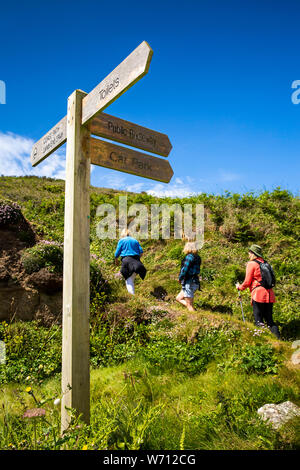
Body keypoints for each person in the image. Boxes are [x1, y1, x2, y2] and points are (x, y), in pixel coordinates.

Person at [236, 244, 280, 339]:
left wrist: (239, 287)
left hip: (258, 294)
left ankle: (260, 341)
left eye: (249, 252)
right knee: (270, 320)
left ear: (253, 253)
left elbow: (247, 282)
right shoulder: (266, 263)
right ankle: (278, 341)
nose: (248, 254)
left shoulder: (251, 264)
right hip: (270, 294)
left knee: (258, 320)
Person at [114, 228, 146, 295]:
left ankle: (132, 298)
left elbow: (116, 254)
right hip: (137, 262)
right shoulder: (135, 240)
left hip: (126, 261)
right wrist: (137, 259)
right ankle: (133, 297)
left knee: (128, 280)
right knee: (131, 278)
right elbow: (141, 252)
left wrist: (116, 261)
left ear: (122, 234)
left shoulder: (121, 241)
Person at [176, 241, 201, 312]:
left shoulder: (189, 257)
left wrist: (180, 278)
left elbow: (185, 269)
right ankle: (193, 310)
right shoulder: (198, 257)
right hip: (195, 281)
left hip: (189, 282)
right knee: (178, 298)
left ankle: (194, 317)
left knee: (189, 305)